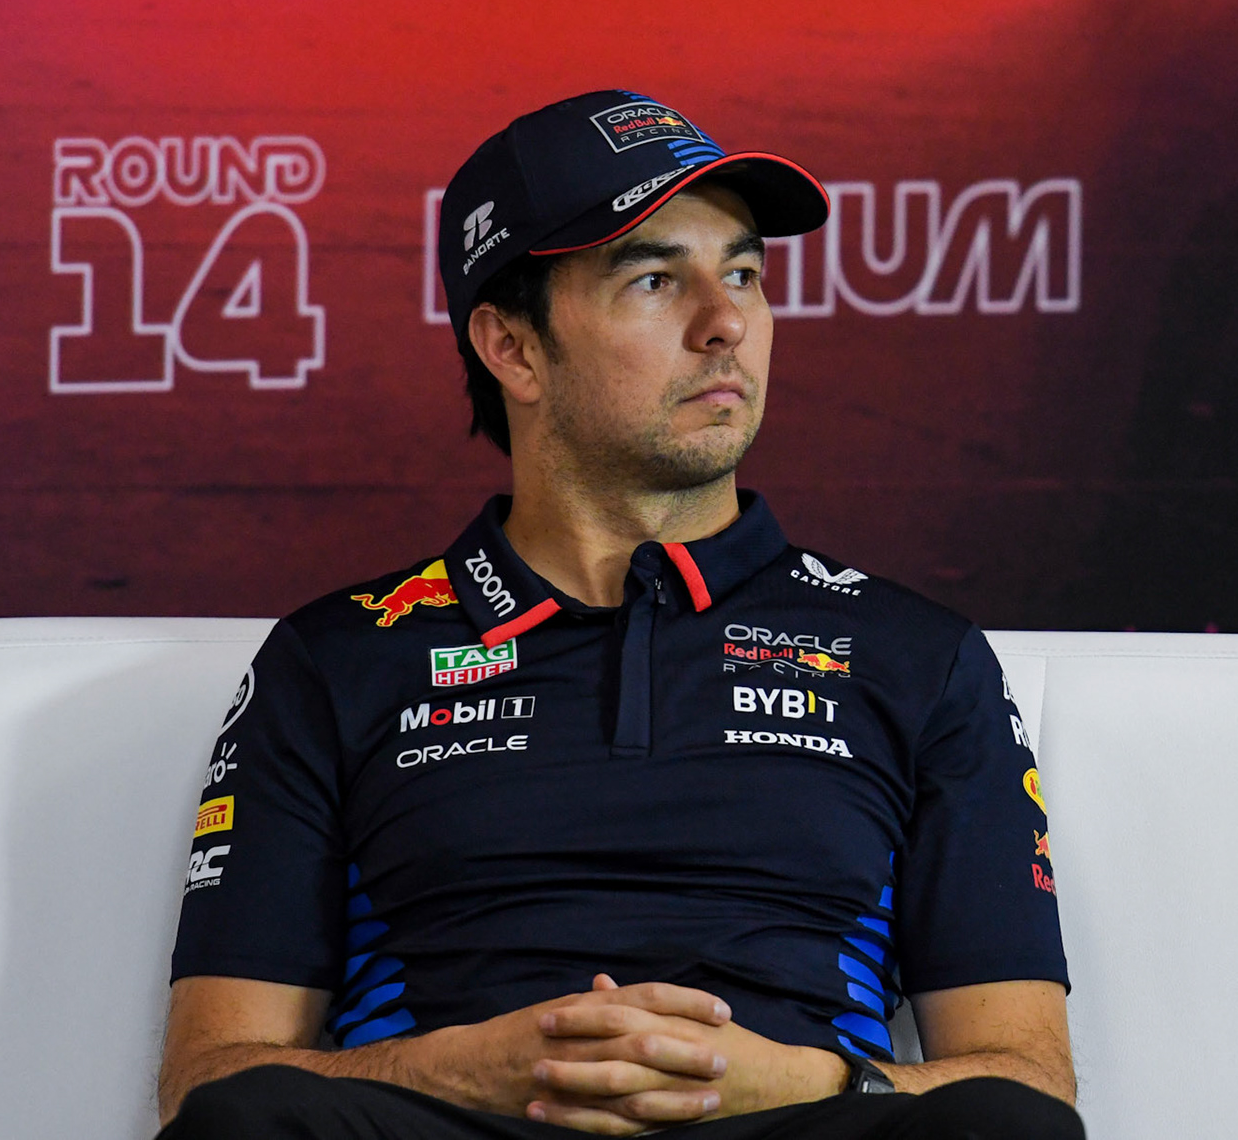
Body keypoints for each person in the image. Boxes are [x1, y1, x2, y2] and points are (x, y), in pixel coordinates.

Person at [157, 91, 1083, 1139]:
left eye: (743, 274)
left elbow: (1028, 1076)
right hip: (454, 1127)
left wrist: (795, 1082)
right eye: (654, 279)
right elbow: (209, 1073)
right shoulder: (335, 658)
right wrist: (458, 1070)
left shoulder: (917, 655)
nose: (725, 323)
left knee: (1006, 1130)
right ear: (513, 348)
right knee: (244, 1121)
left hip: (787, 1123)